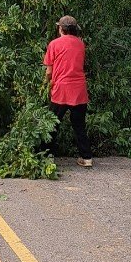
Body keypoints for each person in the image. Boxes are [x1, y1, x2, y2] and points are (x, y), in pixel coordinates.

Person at [43, 14, 93, 167]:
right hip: (79, 89)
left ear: (61, 29)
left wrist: (46, 84)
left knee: (52, 124)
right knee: (79, 124)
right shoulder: (80, 44)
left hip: (61, 89)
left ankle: (48, 156)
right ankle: (86, 158)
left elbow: (49, 71)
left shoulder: (54, 44)